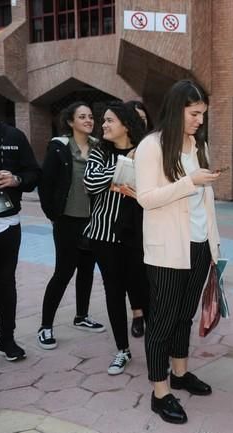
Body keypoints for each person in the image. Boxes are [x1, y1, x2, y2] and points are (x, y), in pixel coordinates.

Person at [135, 79, 221, 425]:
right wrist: (190, 182)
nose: (200, 120)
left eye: (202, 114)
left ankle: (181, 373)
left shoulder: (199, 146)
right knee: (161, 321)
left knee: (185, 315)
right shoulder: (151, 146)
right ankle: (160, 392)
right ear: (177, 110)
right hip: (168, 250)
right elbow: (146, 198)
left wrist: (214, 243)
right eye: (194, 113)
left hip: (199, 246)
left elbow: (206, 205)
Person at [83, 101, 146, 375]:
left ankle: (157, 350)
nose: (103, 125)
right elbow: (90, 183)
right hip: (104, 235)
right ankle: (122, 350)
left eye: (109, 121)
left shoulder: (147, 152)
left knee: (144, 293)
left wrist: (118, 179)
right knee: (113, 292)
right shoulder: (100, 151)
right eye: (103, 120)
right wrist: (124, 167)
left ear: (126, 124)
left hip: (138, 236)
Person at [37, 102, 105, 350]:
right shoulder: (59, 147)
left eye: (90, 116)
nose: (88, 120)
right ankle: (45, 326)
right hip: (67, 221)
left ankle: (82, 316)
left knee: (87, 269)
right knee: (64, 272)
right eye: (82, 117)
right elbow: (46, 184)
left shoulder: (99, 147)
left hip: (92, 221)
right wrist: (53, 214)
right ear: (70, 122)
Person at [0, 120, 40, 362]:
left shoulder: (14, 136)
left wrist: (16, 180)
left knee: (5, 283)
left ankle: (6, 338)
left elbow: (33, 173)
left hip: (7, 223)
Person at [120, 100, 153, 339]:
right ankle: (137, 313)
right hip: (127, 215)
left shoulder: (153, 145)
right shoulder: (118, 147)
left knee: (149, 268)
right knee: (131, 268)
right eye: (135, 119)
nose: (140, 122)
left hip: (150, 214)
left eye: (143, 119)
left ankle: (151, 311)